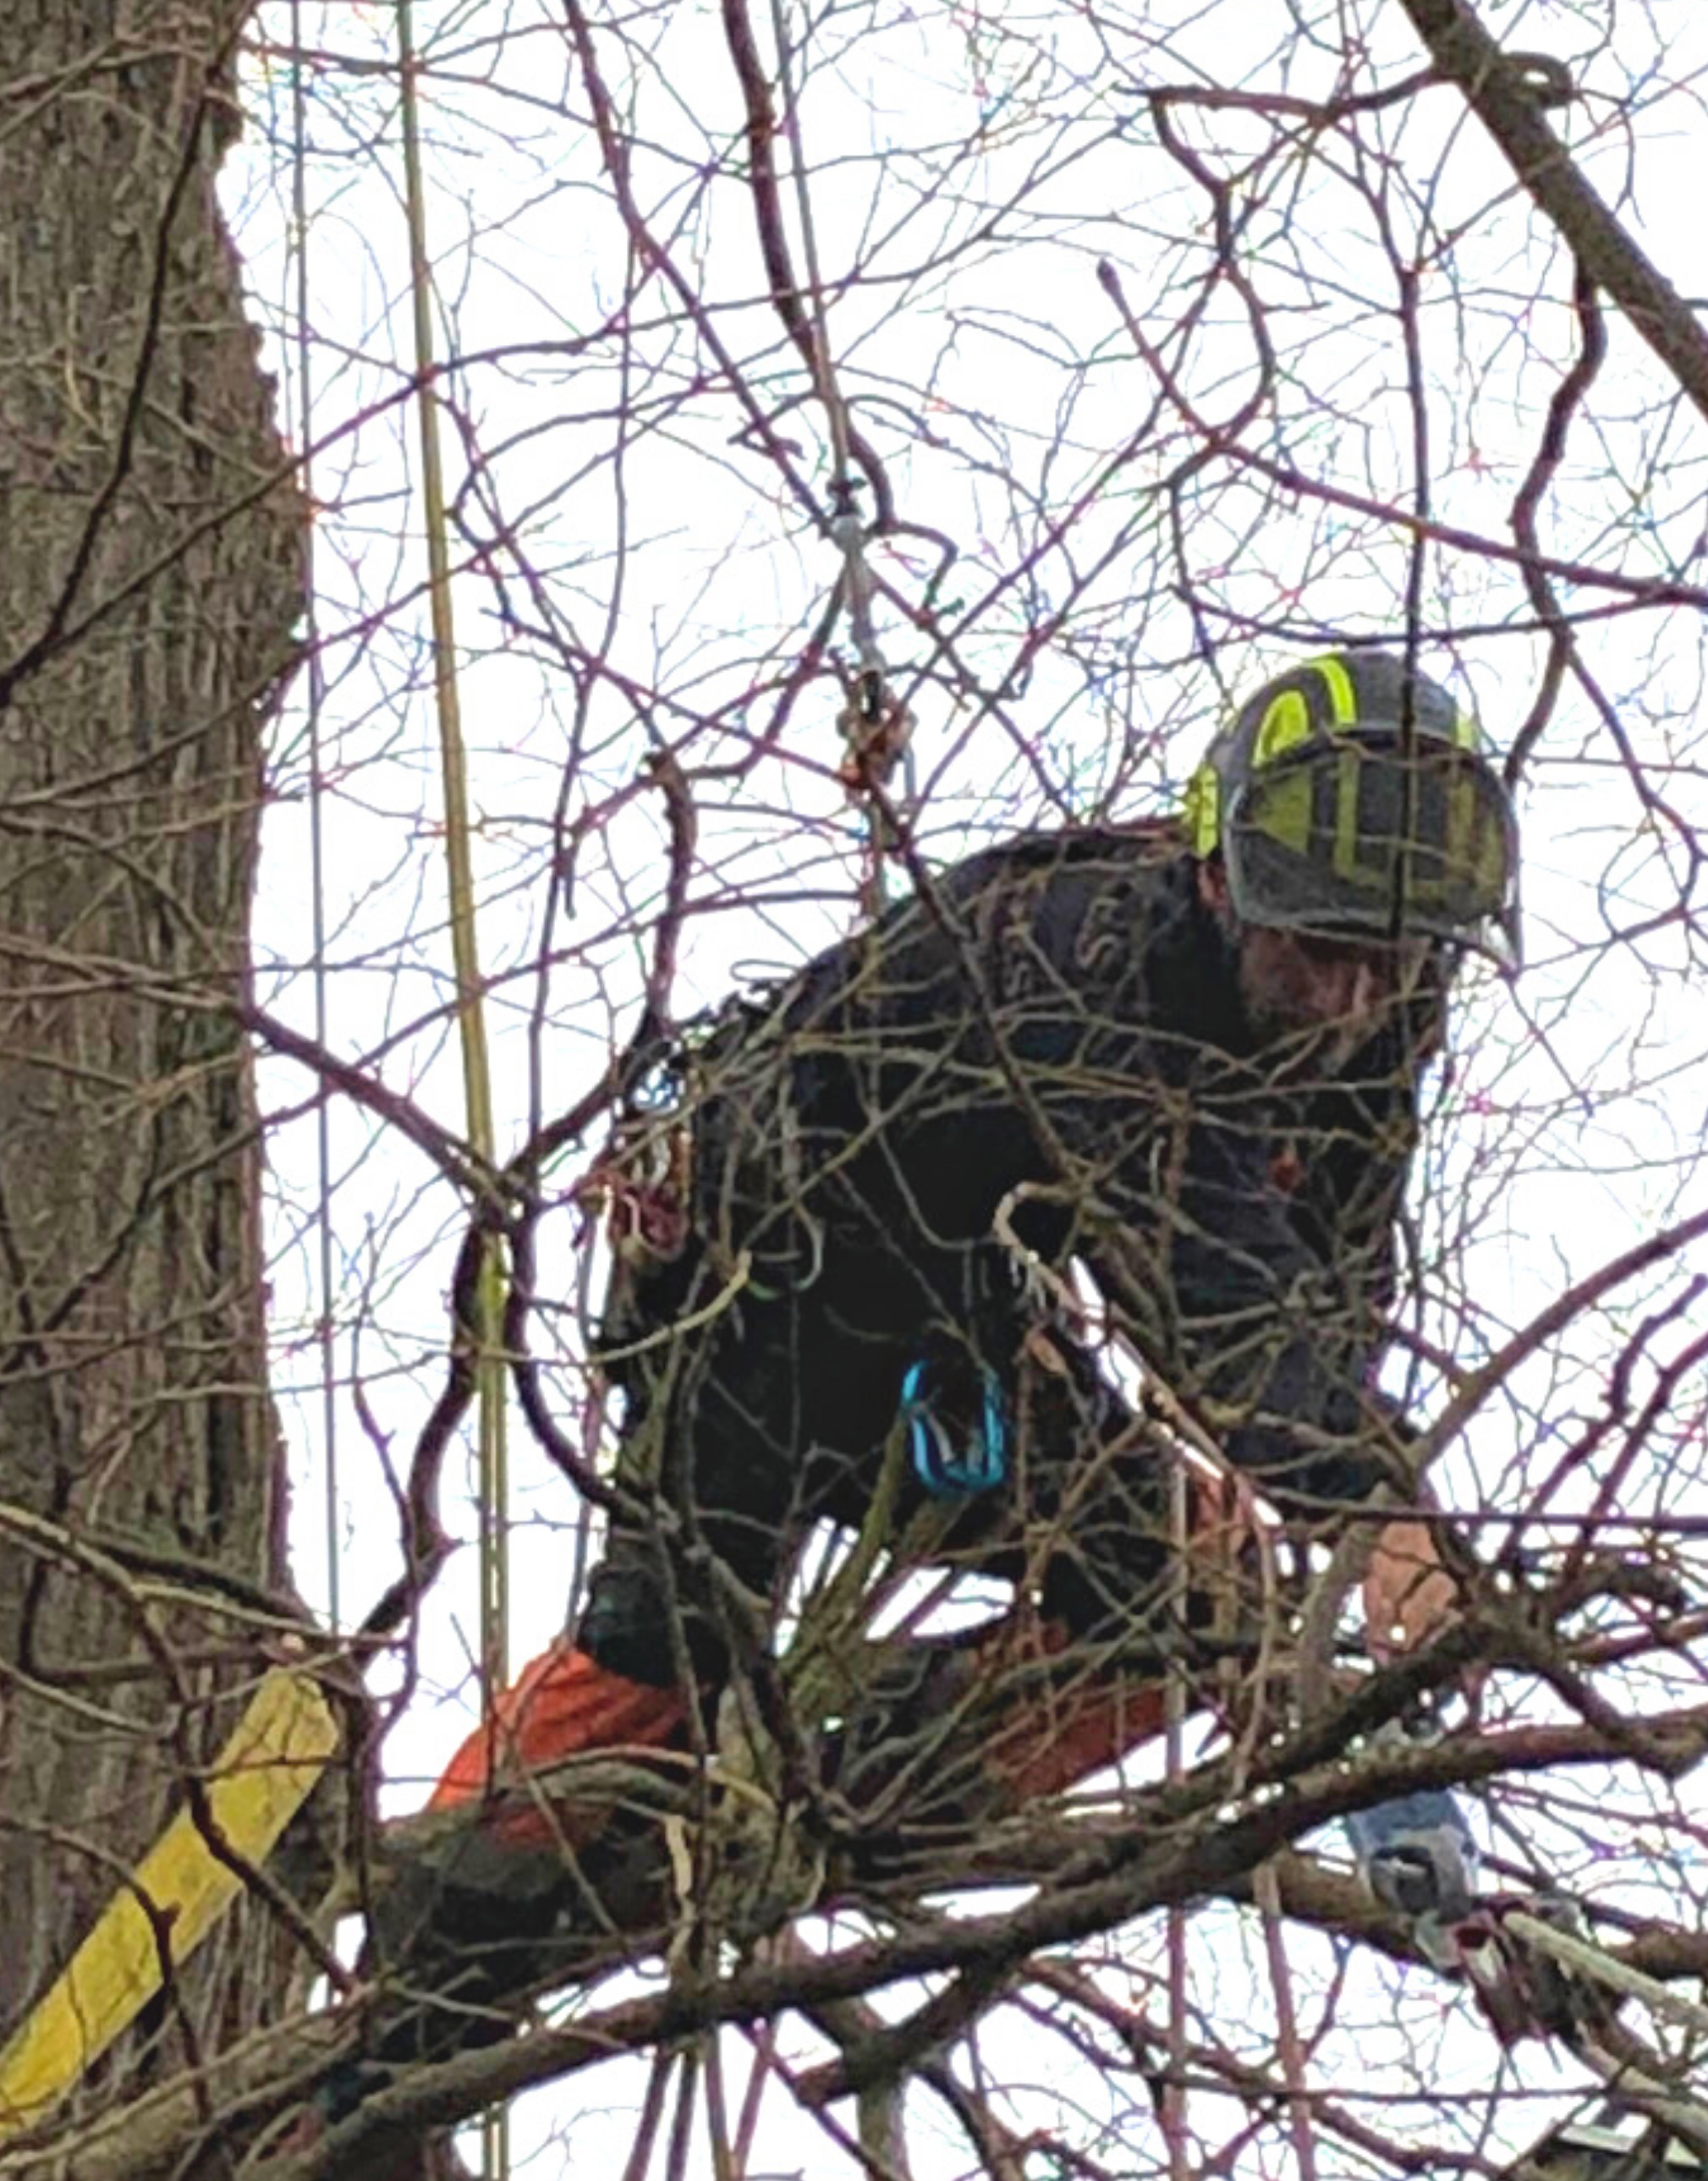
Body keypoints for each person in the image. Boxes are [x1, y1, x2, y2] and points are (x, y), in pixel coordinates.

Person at [431, 646, 1515, 1850]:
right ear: (1222, 887)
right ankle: (452, 1909)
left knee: (1202, 1597)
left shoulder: (1383, 1005)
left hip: (969, 1316)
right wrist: (1370, 1504)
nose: (1349, 1000)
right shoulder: (1094, 960)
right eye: (1318, 955)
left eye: (1390, 959)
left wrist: (1375, 1526)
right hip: (770, 1277)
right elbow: (1210, 1289)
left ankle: (843, 1818)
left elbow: (1323, 1288)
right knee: (662, 1657)